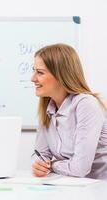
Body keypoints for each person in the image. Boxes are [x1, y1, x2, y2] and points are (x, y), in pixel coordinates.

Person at [31, 43, 107, 180]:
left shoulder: (86, 105)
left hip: (100, 187)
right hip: (72, 185)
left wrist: (52, 166)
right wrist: (38, 165)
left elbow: (80, 169)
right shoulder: (48, 107)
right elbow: (39, 155)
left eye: (40, 72)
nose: (33, 78)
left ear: (61, 75)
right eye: (34, 71)